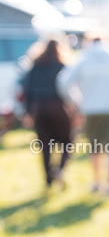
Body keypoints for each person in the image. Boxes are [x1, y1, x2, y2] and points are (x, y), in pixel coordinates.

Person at [60, 29, 109, 195]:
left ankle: (97, 182)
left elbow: (64, 82)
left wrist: (75, 102)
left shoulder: (82, 57)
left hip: (90, 108)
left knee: (94, 146)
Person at [21, 37, 75, 189]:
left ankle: (48, 179)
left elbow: (28, 89)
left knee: (45, 145)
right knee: (67, 142)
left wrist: (28, 111)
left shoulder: (35, 66)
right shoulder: (62, 65)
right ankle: (59, 169)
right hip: (57, 105)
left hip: (38, 107)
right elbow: (68, 88)